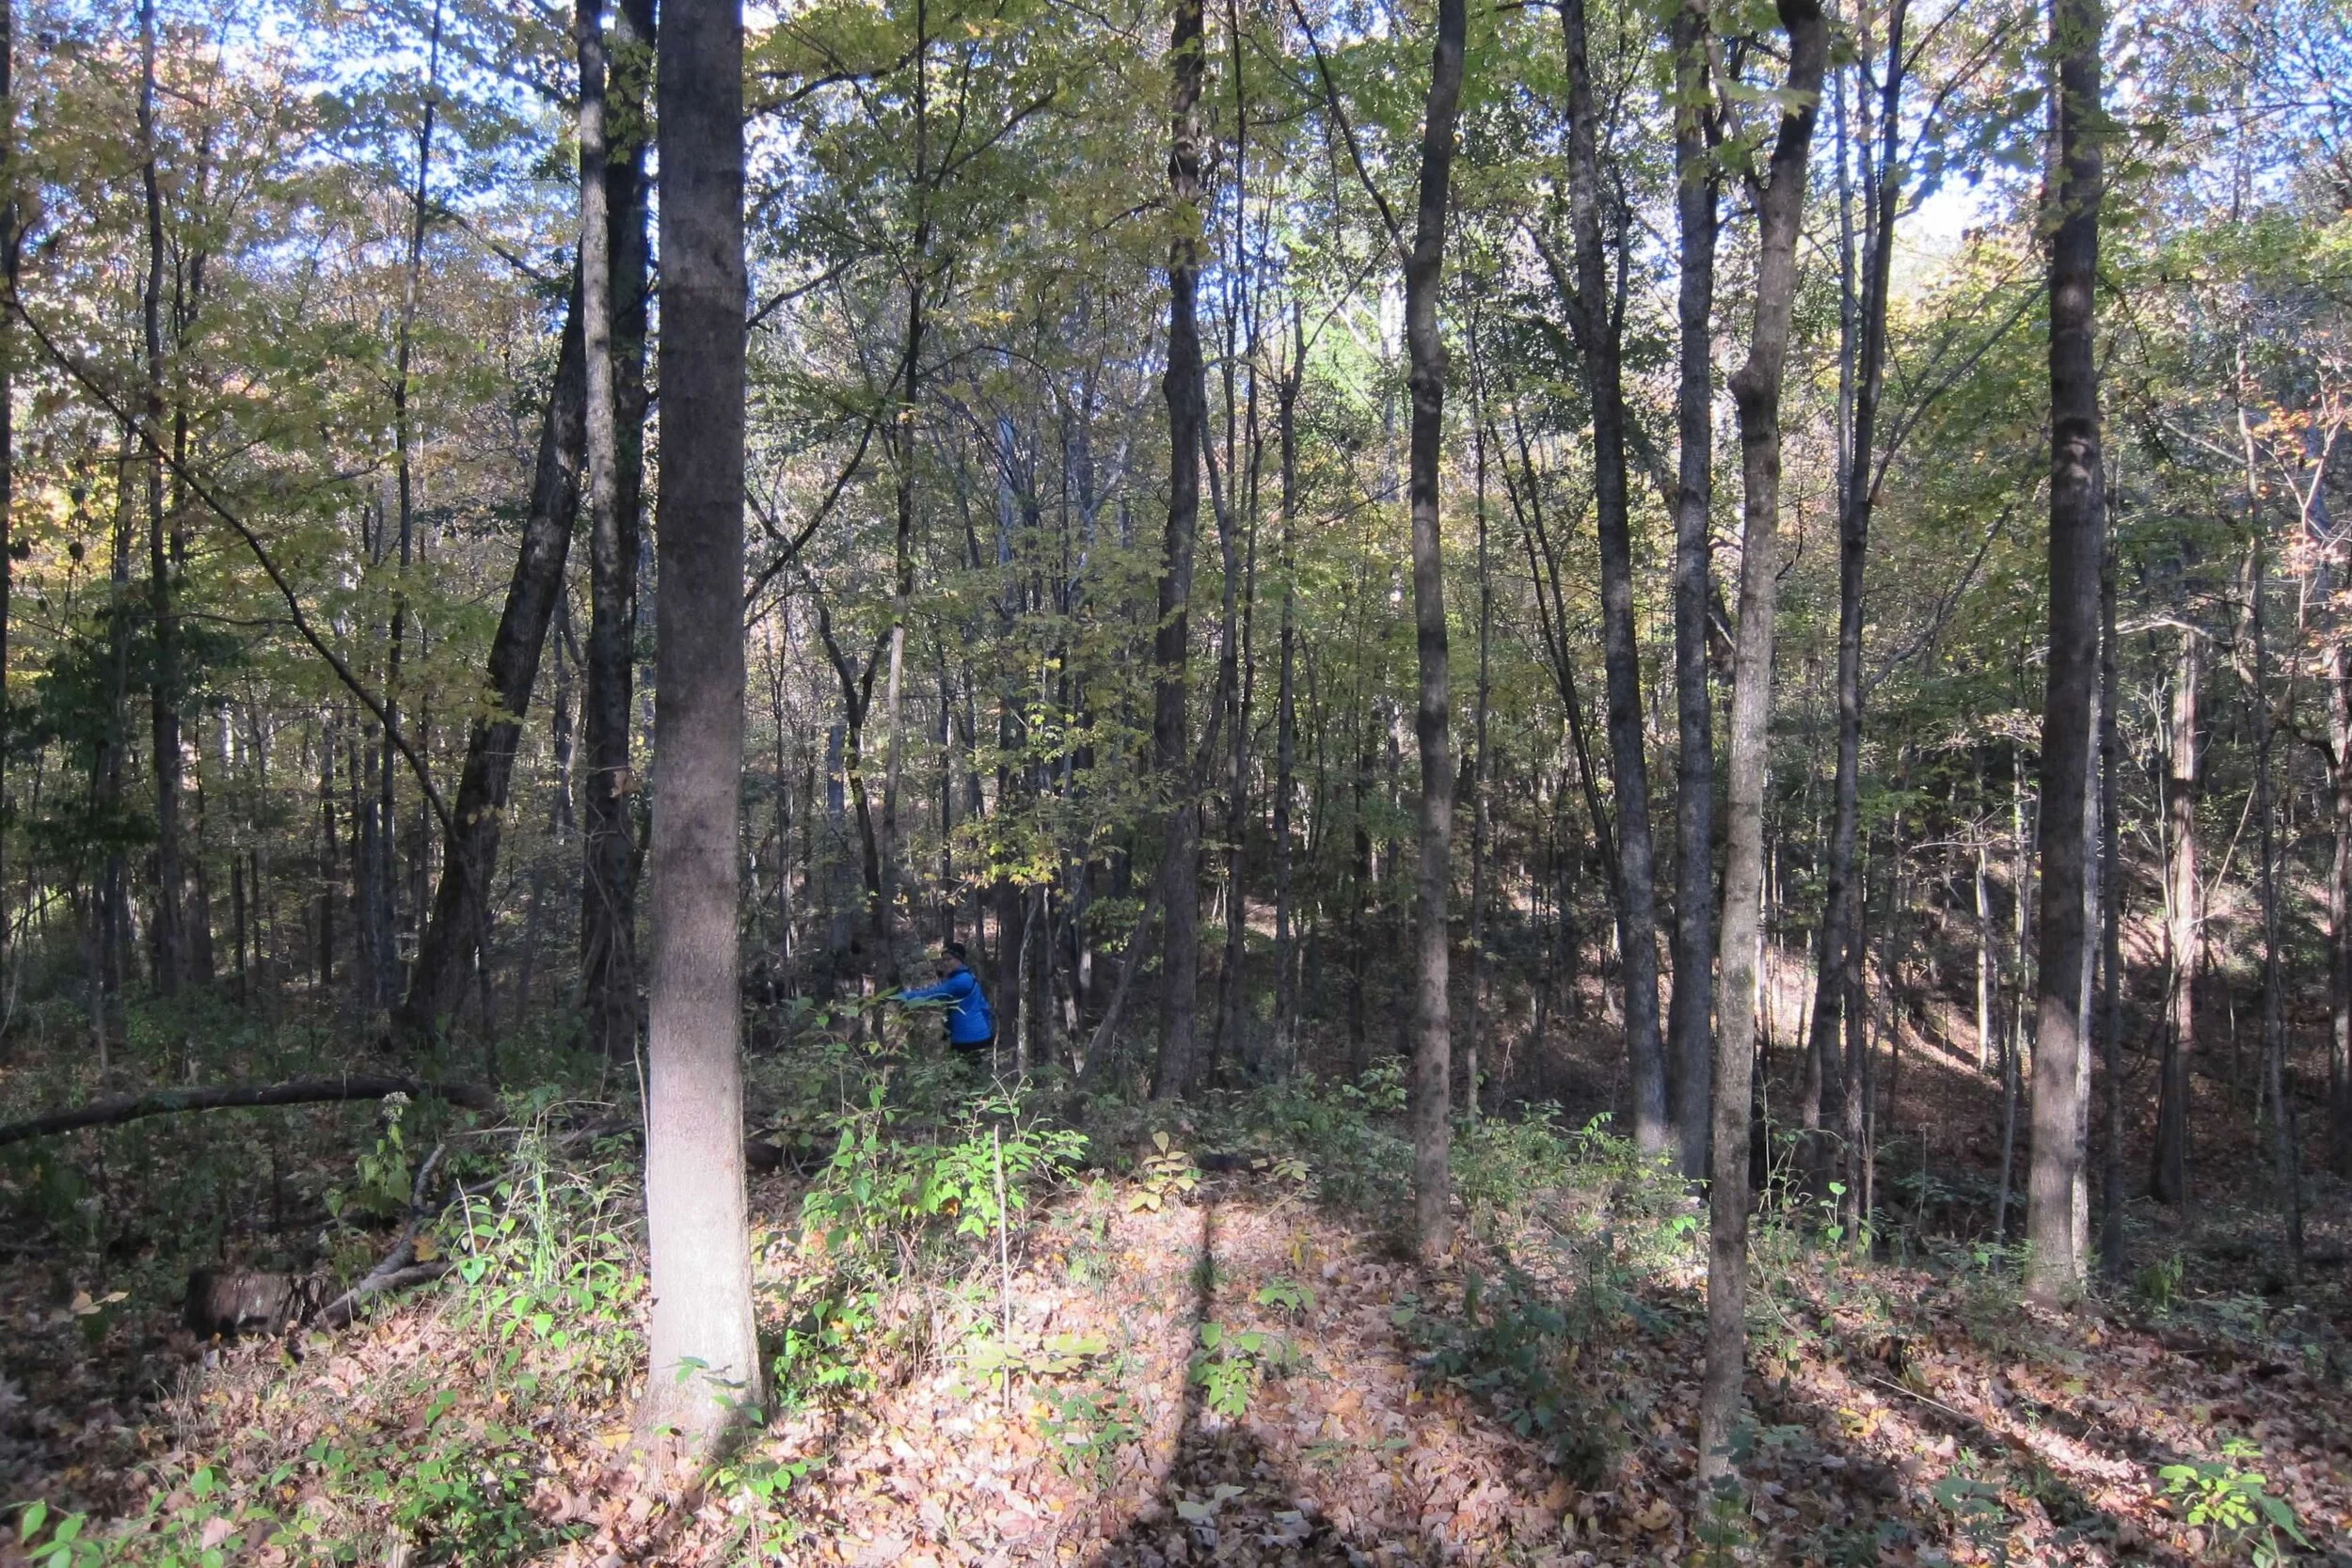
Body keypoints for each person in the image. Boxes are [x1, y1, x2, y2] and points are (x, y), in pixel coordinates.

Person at [897, 942, 996, 1054]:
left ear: (960, 959)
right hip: (977, 1034)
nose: (945, 963)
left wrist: (900, 997)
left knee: (965, 1070)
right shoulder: (966, 975)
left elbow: (932, 994)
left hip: (970, 1038)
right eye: (944, 960)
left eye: (949, 959)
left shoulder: (961, 981)